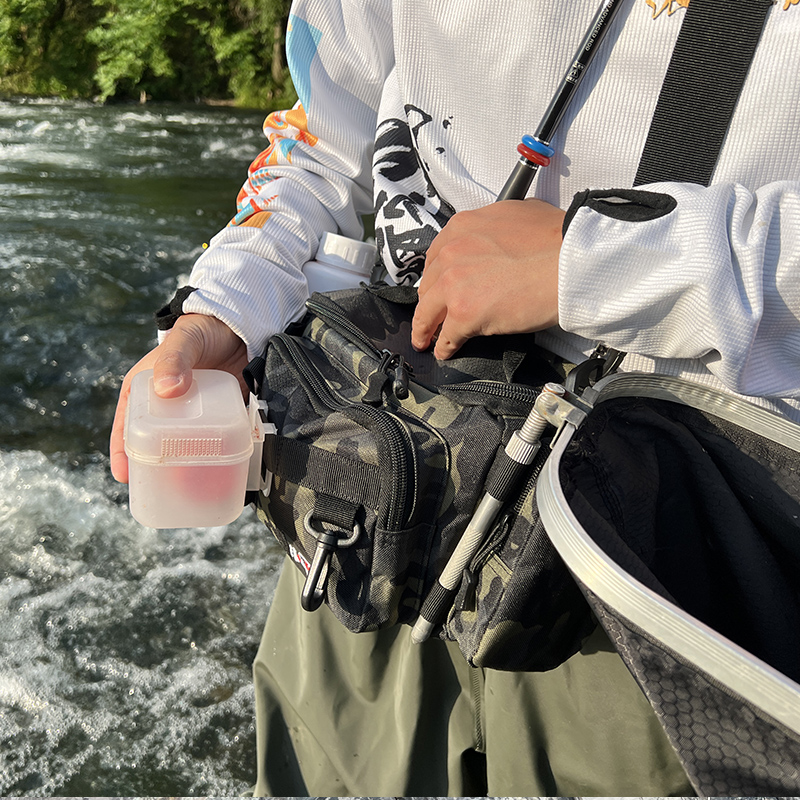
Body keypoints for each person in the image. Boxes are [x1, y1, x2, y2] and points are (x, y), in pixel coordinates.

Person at [110, 0, 800, 793]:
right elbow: (327, 137)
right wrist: (227, 301)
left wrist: (612, 261)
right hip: (374, 517)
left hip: (666, 586)